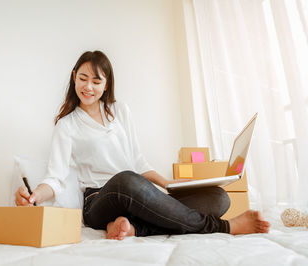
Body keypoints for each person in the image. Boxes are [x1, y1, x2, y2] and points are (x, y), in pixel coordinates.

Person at [15, 50, 270, 240]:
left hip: (137, 194)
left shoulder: (120, 111)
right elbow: (56, 178)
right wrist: (35, 195)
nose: (88, 87)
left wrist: (169, 185)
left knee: (218, 198)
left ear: (106, 85)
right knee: (127, 180)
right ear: (74, 78)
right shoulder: (67, 125)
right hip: (99, 202)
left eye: (96, 81)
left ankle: (134, 228)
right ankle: (226, 228)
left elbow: (138, 161)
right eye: (83, 79)